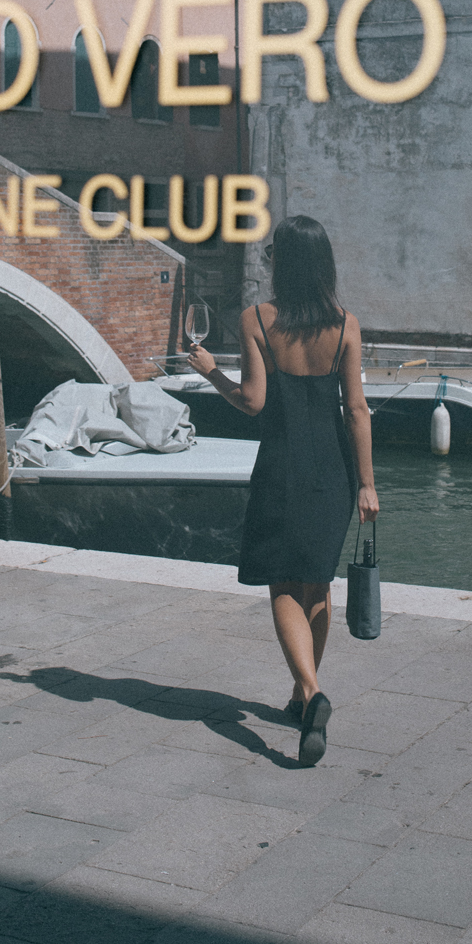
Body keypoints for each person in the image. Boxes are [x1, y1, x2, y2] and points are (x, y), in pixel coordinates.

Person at [188, 215, 379, 767]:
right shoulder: (346, 325)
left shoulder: (256, 320)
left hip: (280, 467)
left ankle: (311, 693)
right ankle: (301, 699)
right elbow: (358, 412)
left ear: (282, 265)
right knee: (317, 586)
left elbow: (251, 402)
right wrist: (366, 484)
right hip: (334, 474)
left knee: (283, 587)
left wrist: (209, 373)